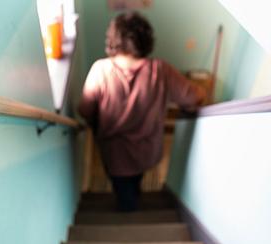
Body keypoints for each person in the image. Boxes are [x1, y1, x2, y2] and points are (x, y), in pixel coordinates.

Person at [78, 12, 206, 212]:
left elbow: (85, 110)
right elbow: (193, 97)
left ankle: (128, 211)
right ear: (146, 39)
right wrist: (203, 90)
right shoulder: (160, 70)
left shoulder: (100, 70)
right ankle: (133, 197)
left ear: (114, 38)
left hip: (114, 153)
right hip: (147, 151)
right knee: (136, 178)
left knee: (123, 190)